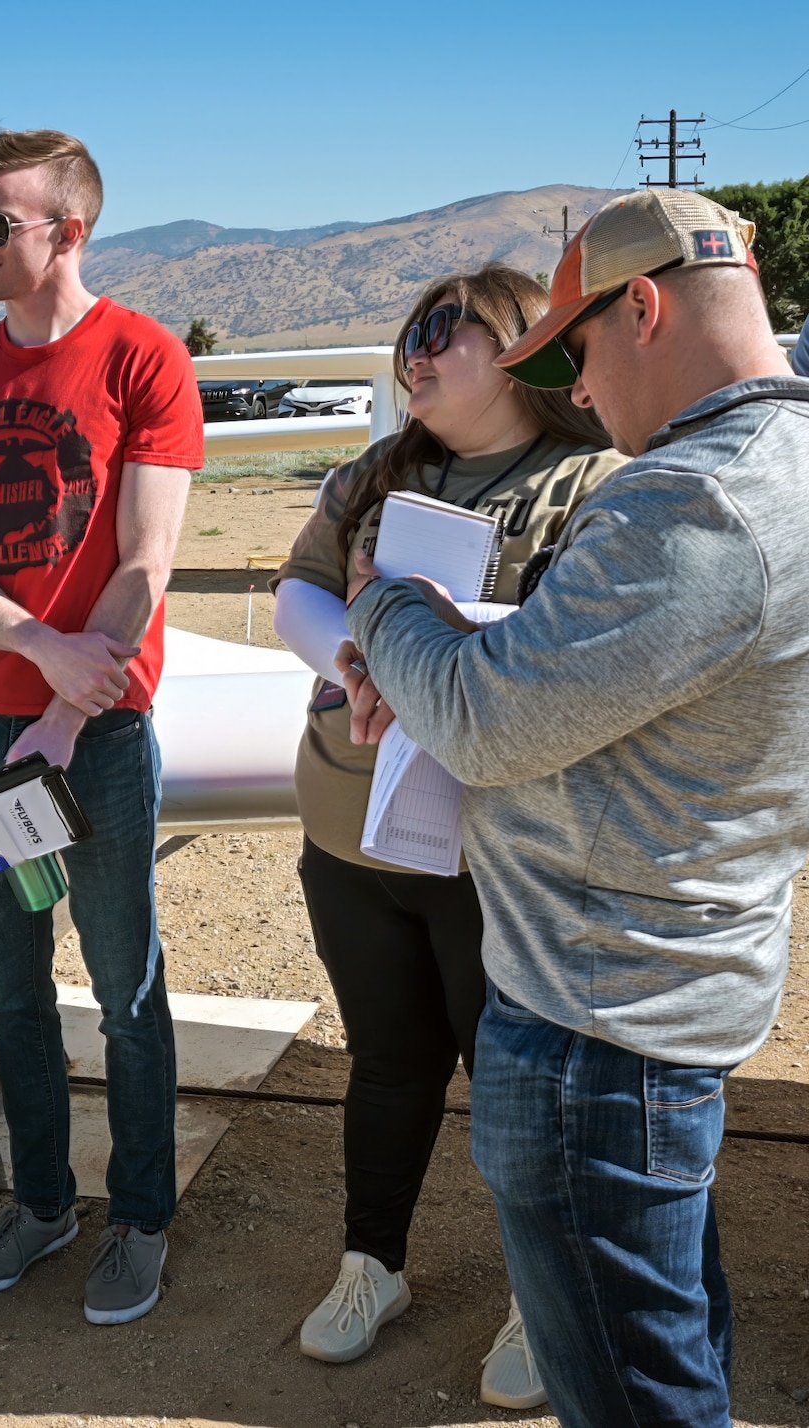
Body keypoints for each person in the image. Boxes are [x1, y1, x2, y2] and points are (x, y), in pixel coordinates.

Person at [343, 189, 809, 1426]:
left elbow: (488, 724)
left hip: (594, 1026)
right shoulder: (788, 465)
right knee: (667, 1354)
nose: (584, 396)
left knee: (630, 1397)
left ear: (641, 306)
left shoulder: (689, 501)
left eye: (580, 354)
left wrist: (388, 607)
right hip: (676, 986)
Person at [270, 266, 622, 1404]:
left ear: (518, 347)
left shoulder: (594, 484)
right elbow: (296, 591)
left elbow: (578, 662)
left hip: (495, 851)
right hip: (348, 834)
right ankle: (370, 1265)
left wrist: (432, 665)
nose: (412, 355)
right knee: (385, 1060)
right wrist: (356, 661)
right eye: (407, 335)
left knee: (512, 1084)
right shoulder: (376, 471)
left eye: (440, 332)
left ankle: (544, 1300)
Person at [0, 127, 205, 1325]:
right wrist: (33, 658)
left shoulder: (143, 361)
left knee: (123, 983)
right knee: (15, 985)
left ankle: (139, 1218)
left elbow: (144, 563)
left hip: (99, 738)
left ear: (64, 231)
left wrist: (69, 710)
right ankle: (39, 1205)